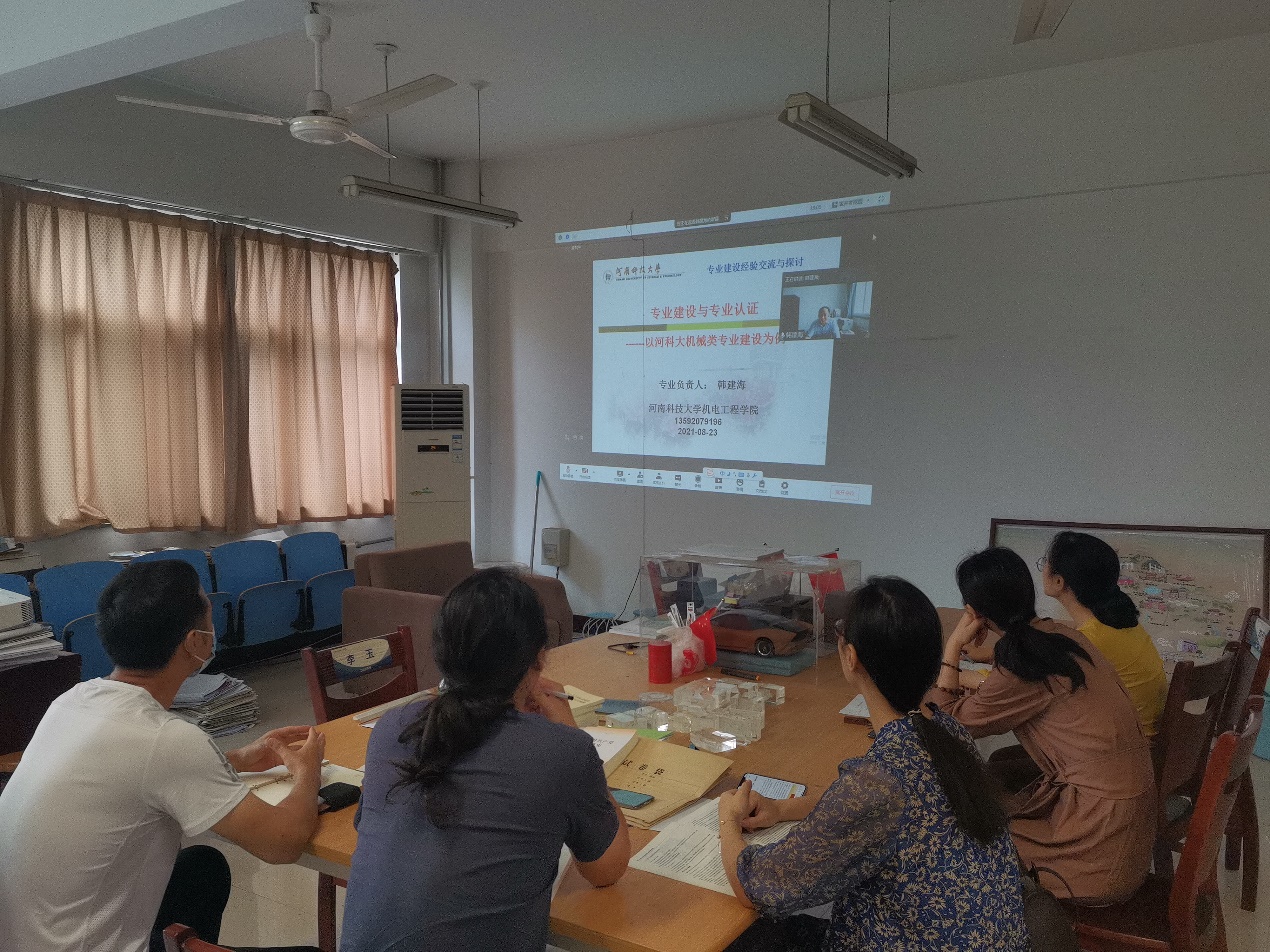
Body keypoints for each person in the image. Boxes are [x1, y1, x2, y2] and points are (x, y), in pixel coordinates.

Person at [0, 560, 324, 952]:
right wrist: (308, 772)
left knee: (202, 867)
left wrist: (239, 758)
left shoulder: (73, 700)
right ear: (195, 642)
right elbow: (282, 843)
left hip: (23, 937)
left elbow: (133, 772)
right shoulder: (166, 739)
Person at [716, 576, 1028, 952]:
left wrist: (728, 820)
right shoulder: (946, 731)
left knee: (749, 937)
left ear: (850, 657)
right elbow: (873, 810)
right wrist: (784, 809)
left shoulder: (878, 782)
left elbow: (756, 886)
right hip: (986, 938)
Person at [340, 568, 630, 952]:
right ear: (540, 657)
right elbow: (606, 869)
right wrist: (571, 733)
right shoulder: (563, 750)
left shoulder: (392, 726)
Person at [929, 547, 1155, 904]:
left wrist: (954, 645)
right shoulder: (1064, 637)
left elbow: (944, 724)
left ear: (974, 611)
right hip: (1131, 819)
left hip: (1099, 842)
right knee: (990, 788)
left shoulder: (1024, 664)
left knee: (957, 838)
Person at [1042, 531, 1167, 736]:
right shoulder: (1121, 624)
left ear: (1058, 581)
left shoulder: (1089, 640)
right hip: (1143, 738)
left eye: (1045, 562)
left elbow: (1030, 687)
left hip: (1124, 747)